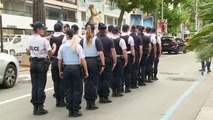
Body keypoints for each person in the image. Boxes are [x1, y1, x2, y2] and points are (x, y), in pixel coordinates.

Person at [57, 29, 88, 117]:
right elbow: (83, 60)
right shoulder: (77, 46)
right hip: (76, 68)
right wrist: (86, 71)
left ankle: (70, 109)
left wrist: (60, 71)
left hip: (66, 68)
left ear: (66, 35)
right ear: (73, 35)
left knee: (68, 89)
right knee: (77, 90)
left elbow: (59, 60)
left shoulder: (62, 46)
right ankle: (76, 109)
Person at [29, 21, 56, 115]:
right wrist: (54, 48)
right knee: (41, 86)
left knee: (34, 85)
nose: (44, 31)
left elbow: (37, 40)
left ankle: (35, 107)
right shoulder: (44, 41)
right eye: (43, 29)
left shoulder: (30, 38)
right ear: (39, 29)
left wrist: (46, 38)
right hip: (41, 63)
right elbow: (50, 53)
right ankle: (40, 107)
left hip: (33, 63)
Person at [80, 22, 105, 110]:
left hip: (85, 61)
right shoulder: (96, 40)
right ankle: (92, 102)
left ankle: (87, 102)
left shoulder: (82, 40)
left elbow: (79, 52)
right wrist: (103, 64)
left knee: (86, 82)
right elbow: (101, 53)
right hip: (94, 61)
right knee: (94, 82)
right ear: (94, 30)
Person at [97, 23, 117, 103]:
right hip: (107, 61)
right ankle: (105, 96)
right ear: (106, 30)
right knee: (106, 79)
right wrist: (115, 61)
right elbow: (113, 52)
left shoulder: (95, 39)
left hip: (97, 61)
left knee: (99, 79)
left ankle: (100, 96)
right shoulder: (109, 40)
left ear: (99, 30)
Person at [49, 23, 67, 107]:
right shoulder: (64, 37)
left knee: (55, 81)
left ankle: (57, 99)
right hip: (62, 61)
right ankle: (62, 100)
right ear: (62, 28)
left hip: (53, 60)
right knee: (62, 81)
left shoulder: (51, 37)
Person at [111, 26, 128, 97]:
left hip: (111, 59)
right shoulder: (121, 40)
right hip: (119, 59)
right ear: (118, 32)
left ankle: (113, 89)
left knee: (112, 75)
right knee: (118, 75)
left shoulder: (109, 39)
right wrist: (126, 60)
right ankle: (118, 89)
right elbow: (124, 51)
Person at [120, 24, 135, 93]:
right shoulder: (130, 38)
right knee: (127, 72)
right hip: (128, 55)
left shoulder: (119, 37)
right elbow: (132, 49)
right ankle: (127, 87)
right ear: (128, 29)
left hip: (120, 56)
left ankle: (120, 87)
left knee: (120, 72)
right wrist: (133, 56)